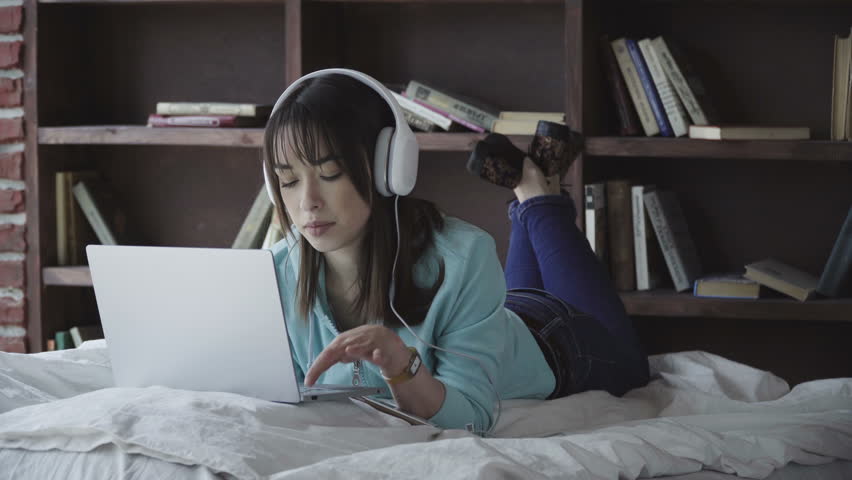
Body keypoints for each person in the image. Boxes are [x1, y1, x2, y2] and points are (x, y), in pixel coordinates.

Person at [262, 70, 649, 435]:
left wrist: (401, 365)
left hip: (556, 341)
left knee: (634, 366)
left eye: (330, 174)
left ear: (388, 167)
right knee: (508, 303)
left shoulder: (463, 255)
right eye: (288, 180)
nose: (307, 202)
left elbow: (472, 419)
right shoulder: (273, 271)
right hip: (495, 319)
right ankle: (533, 181)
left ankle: (538, 195)